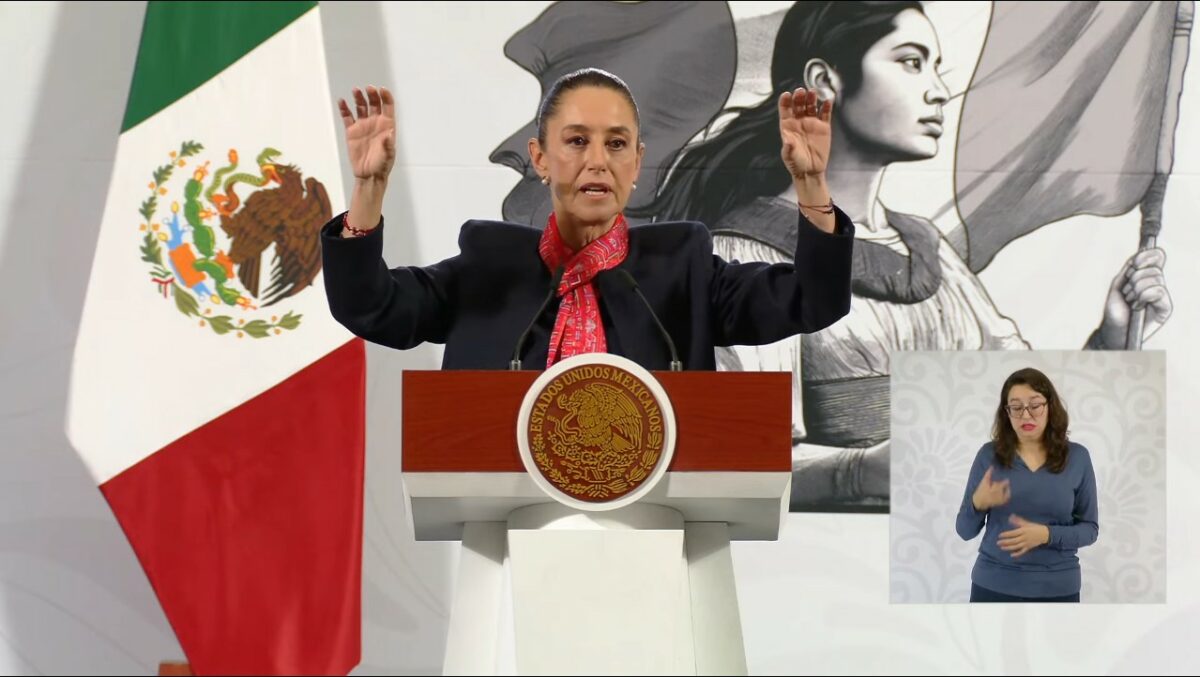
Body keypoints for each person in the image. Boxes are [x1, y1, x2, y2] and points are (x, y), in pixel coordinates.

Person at [636, 1, 1172, 511]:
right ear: (825, 81)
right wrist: (860, 472)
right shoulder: (742, 255)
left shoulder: (931, 253)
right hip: (825, 558)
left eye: (936, 67)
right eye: (911, 63)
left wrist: (1110, 338)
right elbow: (731, 458)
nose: (939, 91)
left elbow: (1024, 421)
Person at [318, 69, 854, 372]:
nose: (598, 161)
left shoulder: (684, 267)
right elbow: (370, 307)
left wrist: (810, 184)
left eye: (616, 145)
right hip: (509, 518)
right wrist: (369, 190)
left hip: (657, 521)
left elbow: (814, 298)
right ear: (540, 158)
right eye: (577, 141)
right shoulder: (487, 266)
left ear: (636, 164)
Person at [954, 367, 1099, 603]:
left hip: (1058, 589)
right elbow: (964, 531)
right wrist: (977, 503)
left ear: (1050, 406)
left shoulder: (1078, 457)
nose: (1026, 415)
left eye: (1035, 405)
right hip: (992, 586)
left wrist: (1046, 535)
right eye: (1016, 407)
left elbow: (1090, 530)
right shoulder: (988, 455)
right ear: (1006, 412)